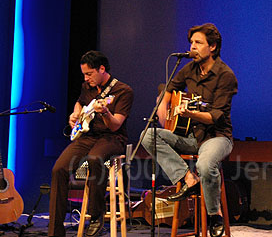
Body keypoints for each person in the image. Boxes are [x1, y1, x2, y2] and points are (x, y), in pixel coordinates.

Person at [141, 23, 237, 237]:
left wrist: (189, 114)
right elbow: (168, 88)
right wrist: (164, 105)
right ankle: (188, 179)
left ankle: (215, 215)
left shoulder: (225, 75)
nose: (192, 47)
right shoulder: (189, 68)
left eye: (198, 43)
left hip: (217, 136)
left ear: (212, 47)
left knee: (205, 164)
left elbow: (215, 116)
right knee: (149, 135)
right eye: (191, 42)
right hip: (192, 135)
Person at [48, 51, 134, 237]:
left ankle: (96, 217)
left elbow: (115, 125)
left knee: (95, 158)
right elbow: (80, 103)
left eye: (89, 74)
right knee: (59, 169)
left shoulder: (123, 91)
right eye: (84, 74)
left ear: (101, 69)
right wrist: (75, 114)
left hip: (112, 138)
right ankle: (55, 231)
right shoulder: (87, 86)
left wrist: (105, 112)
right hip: (88, 136)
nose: (86, 78)